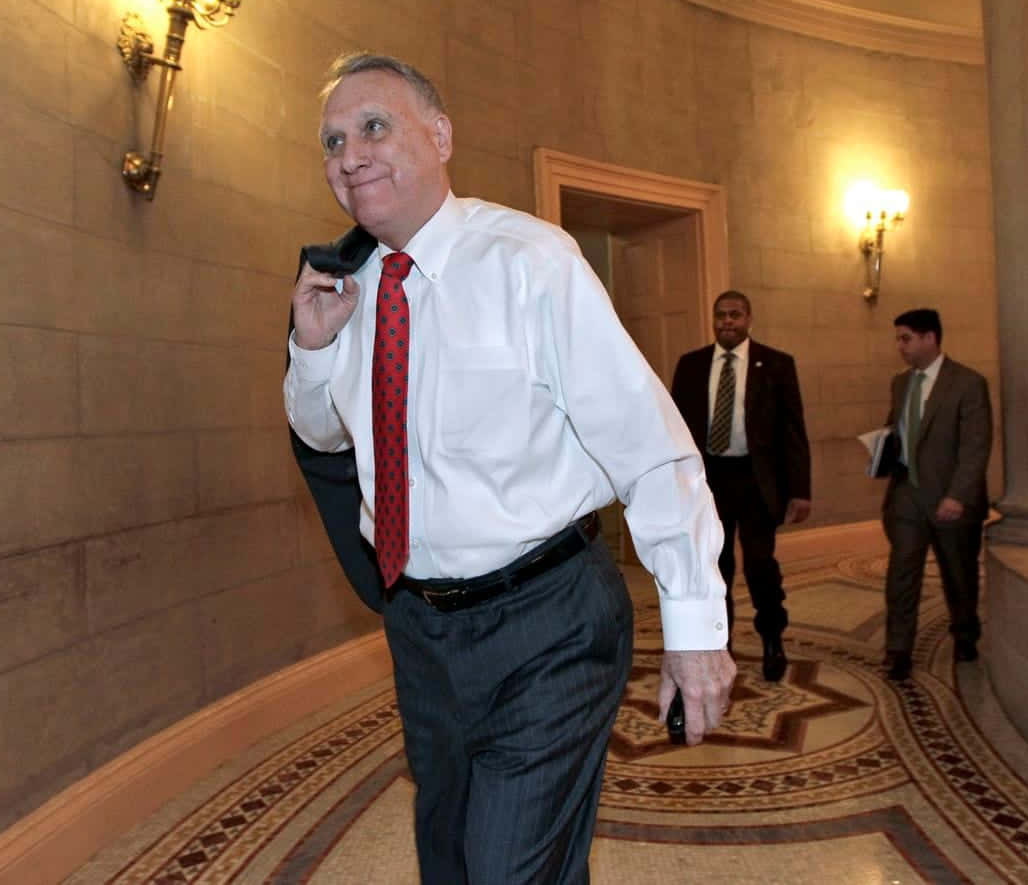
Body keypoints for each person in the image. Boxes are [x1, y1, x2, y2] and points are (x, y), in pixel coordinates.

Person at [284, 51, 736, 884]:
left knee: (507, 868)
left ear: (440, 136)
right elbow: (322, 436)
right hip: (420, 629)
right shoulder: (344, 288)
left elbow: (649, 444)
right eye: (333, 141)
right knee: (454, 859)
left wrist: (695, 627)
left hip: (549, 620)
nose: (350, 155)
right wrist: (311, 350)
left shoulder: (530, 261)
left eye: (374, 126)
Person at [670, 292, 811, 682]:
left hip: (756, 481)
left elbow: (793, 432)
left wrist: (800, 490)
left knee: (760, 565)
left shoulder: (776, 364)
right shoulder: (691, 365)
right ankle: (721, 647)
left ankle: (772, 640)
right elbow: (676, 429)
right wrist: (675, 483)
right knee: (716, 567)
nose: (727, 322)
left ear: (748, 318)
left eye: (735, 315)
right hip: (709, 482)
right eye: (720, 315)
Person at [879, 308, 992, 681]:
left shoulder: (968, 383)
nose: (900, 346)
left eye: (906, 338)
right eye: (898, 339)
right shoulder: (900, 383)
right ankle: (898, 650)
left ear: (930, 338)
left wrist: (958, 495)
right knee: (901, 576)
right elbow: (897, 429)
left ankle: (965, 635)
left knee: (959, 575)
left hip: (950, 498)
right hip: (907, 497)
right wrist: (882, 448)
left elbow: (976, 446)